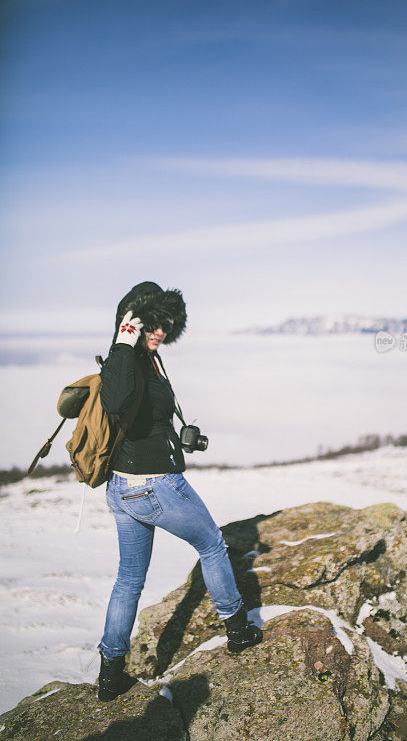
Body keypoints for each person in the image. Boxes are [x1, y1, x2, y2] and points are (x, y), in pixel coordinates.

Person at [96, 281, 262, 702]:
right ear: (133, 320)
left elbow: (141, 414)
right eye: (154, 324)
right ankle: (238, 630)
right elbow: (116, 400)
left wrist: (177, 435)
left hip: (124, 486)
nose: (161, 332)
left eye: (167, 325)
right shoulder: (126, 356)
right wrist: (123, 342)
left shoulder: (147, 360)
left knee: (129, 579)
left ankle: (110, 674)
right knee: (212, 545)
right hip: (152, 484)